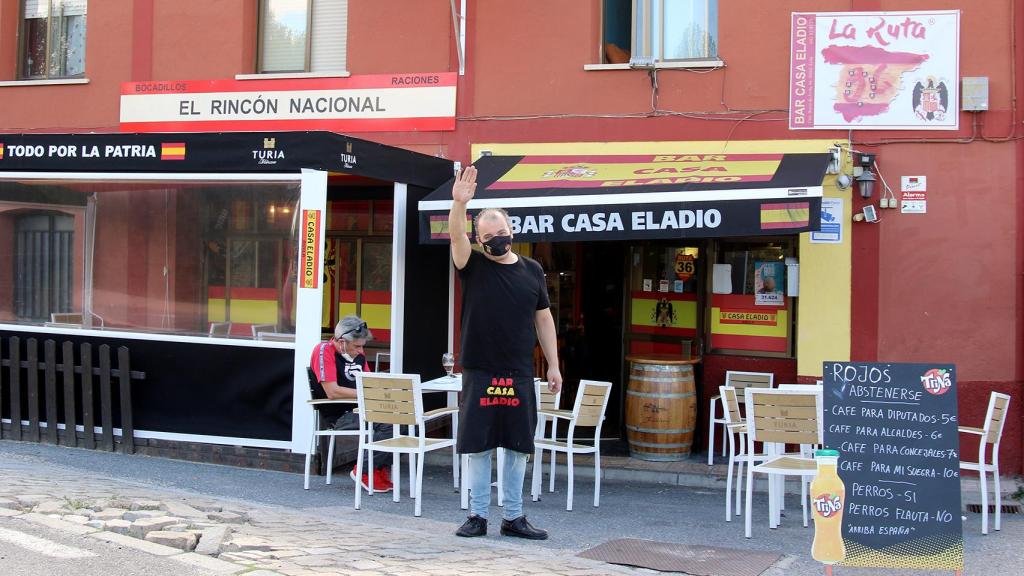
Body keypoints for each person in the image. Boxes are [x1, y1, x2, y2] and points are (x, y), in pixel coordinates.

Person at [448, 165, 563, 540]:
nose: (498, 239)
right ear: (479, 240)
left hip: (517, 371)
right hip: (480, 369)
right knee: (478, 444)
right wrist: (459, 205)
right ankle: (477, 515)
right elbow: (455, 239)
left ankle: (513, 517)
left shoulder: (532, 271)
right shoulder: (473, 265)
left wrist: (554, 366)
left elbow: (544, 320)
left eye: (502, 232)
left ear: (511, 230)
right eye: (489, 236)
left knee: (517, 445)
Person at [309, 315, 393, 492]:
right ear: (341, 342)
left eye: (363, 346)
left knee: (409, 421)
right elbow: (332, 391)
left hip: (361, 409)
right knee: (390, 424)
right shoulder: (324, 350)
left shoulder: (358, 355)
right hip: (339, 414)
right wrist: (367, 395)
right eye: (357, 346)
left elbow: (369, 382)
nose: (361, 351)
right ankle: (364, 470)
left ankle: (377, 469)